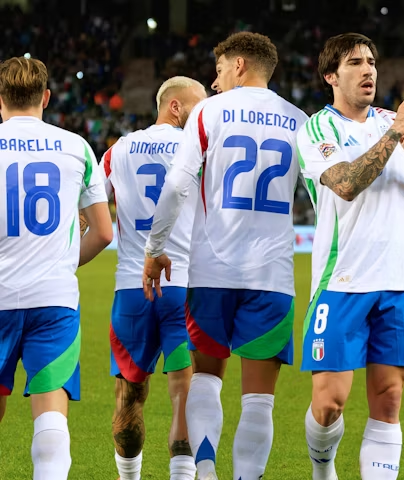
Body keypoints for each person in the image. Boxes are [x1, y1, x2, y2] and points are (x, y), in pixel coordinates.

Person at [142, 32, 309, 480]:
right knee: (259, 400)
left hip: (211, 272)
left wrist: (155, 250)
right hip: (272, 277)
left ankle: (207, 468)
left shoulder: (207, 113)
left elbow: (177, 185)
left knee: (207, 378)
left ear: (238, 65)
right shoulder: (299, 120)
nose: (214, 82)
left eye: (217, 70)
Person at [296, 33, 404, 480]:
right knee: (328, 403)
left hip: (398, 281)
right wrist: (396, 132)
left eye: (372, 61)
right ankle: (323, 469)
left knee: (390, 398)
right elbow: (345, 183)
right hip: (343, 281)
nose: (369, 70)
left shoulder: (391, 122)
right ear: (330, 76)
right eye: (356, 62)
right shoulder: (319, 128)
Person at [0, 56, 112, 479]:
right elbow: (102, 232)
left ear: (0, 100)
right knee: (51, 421)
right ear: (46, 97)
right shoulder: (76, 147)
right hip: (54, 300)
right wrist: (63, 262)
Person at [101, 76, 207, 480]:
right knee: (185, 393)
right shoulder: (197, 149)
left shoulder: (117, 151)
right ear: (175, 106)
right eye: (198, 107)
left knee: (129, 394)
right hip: (182, 285)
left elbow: (87, 207)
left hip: (131, 288)